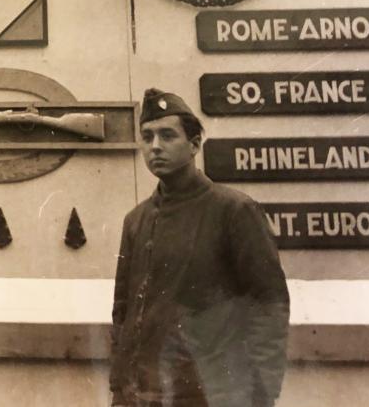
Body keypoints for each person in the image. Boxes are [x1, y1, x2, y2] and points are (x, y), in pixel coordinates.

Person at [110, 88, 290, 407]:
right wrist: (119, 388)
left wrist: (261, 394)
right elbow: (123, 312)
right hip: (143, 395)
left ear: (194, 145)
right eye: (147, 137)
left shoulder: (234, 211)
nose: (155, 147)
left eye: (168, 136)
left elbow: (269, 306)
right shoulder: (136, 220)